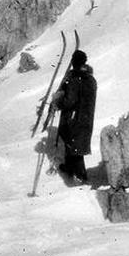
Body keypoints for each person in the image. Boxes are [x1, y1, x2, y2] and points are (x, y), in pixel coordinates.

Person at [49, 49, 97, 183]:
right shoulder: (90, 79)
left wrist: (58, 102)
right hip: (86, 118)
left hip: (75, 118)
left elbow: (69, 101)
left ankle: (81, 177)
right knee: (74, 144)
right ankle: (70, 168)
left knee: (75, 147)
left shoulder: (76, 79)